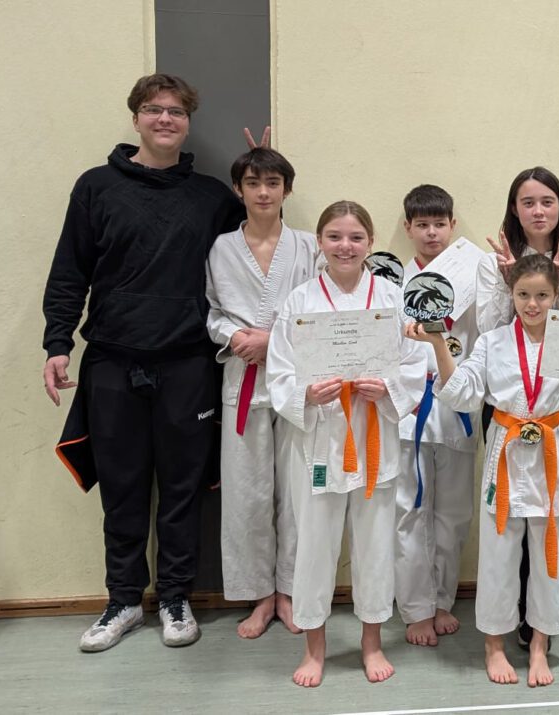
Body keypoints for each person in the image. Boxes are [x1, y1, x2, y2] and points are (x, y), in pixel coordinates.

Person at [42, 74, 245, 652]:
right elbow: (69, 270)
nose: (165, 119)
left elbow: (256, 241)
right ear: (135, 118)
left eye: (176, 112)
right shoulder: (96, 187)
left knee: (182, 489)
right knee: (123, 487)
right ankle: (125, 600)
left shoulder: (212, 198)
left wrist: (255, 166)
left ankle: (176, 597)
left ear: (188, 123)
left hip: (187, 363)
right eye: (154, 110)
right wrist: (58, 343)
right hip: (112, 361)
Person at [409, 254, 559, 687]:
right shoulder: (491, 342)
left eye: (542, 295)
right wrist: (438, 344)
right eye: (523, 294)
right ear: (511, 294)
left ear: (556, 295)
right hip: (506, 448)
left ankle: (539, 645)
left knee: (550, 551)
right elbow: (463, 393)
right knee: (499, 552)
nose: (532, 304)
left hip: (551, 448)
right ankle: (494, 645)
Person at [266, 201, 427, 687]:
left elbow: (415, 361)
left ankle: (371, 642)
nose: (345, 246)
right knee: (314, 544)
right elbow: (279, 371)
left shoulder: (392, 297)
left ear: (370, 243)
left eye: (356, 237)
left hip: (374, 432)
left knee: (375, 544)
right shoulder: (300, 302)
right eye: (335, 236)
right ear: (320, 242)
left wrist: (389, 388)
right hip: (321, 436)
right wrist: (305, 394)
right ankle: (314, 648)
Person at [475, 166, 559, 647]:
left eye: (547, 201)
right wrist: (509, 279)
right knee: (508, 512)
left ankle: (540, 612)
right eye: (528, 202)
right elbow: (488, 330)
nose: (538, 211)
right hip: (508, 398)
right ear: (514, 209)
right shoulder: (493, 262)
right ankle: (511, 616)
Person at [205, 147, 318, 638]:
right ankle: (260, 596)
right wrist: (234, 336)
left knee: (295, 494)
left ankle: (290, 592)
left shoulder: (309, 246)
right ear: (239, 190)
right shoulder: (221, 248)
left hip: (297, 382)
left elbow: (320, 310)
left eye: (273, 183)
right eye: (253, 183)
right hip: (244, 379)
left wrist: (273, 340)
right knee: (246, 493)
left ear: (287, 190)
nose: (264, 192)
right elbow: (213, 311)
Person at [393, 185, 480, 647]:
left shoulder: (474, 273)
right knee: (410, 510)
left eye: (439, 224)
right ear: (408, 227)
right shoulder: (392, 280)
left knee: (453, 513)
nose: (431, 233)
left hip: (456, 406)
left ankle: (443, 599)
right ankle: (415, 608)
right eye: (422, 224)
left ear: (453, 226)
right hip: (408, 409)